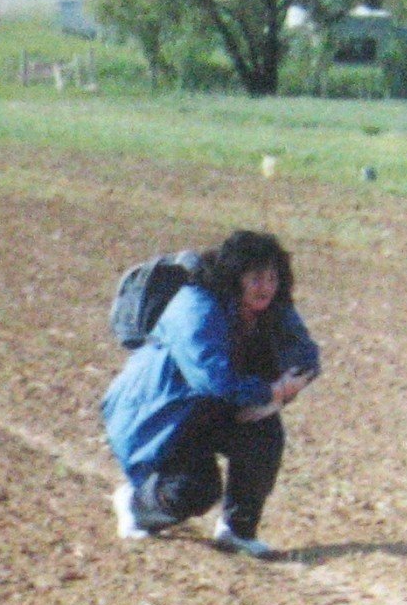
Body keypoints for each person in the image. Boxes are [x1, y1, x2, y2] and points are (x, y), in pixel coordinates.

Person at [101, 229, 320, 558]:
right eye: (256, 278)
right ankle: (135, 504)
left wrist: (284, 391)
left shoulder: (271, 307)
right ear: (235, 277)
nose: (267, 287)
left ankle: (237, 531)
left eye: (273, 277)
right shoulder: (196, 306)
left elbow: (306, 355)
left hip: (207, 408)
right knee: (195, 490)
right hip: (159, 415)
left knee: (264, 433)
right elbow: (212, 379)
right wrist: (269, 391)